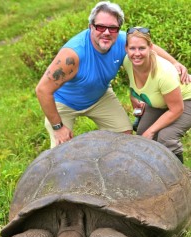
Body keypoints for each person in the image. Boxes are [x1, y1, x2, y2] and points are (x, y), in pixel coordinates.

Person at [36, 1, 190, 148]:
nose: (107, 33)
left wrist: (174, 63)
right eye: (100, 27)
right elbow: (43, 89)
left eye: (113, 28)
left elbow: (149, 47)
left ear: (118, 29)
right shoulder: (72, 55)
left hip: (100, 97)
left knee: (125, 136)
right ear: (91, 27)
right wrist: (58, 127)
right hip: (65, 102)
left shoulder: (121, 40)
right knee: (62, 150)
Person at [123, 27, 191, 163]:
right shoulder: (127, 62)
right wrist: (133, 96)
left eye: (142, 48)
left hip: (185, 100)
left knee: (166, 137)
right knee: (142, 136)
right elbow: (134, 85)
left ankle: (181, 178)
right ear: (126, 48)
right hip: (161, 102)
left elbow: (177, 109)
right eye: (132, 48)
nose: (136, 53)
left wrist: (152, 131)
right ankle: (153, 172)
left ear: (151, 48)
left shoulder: (164, 73)